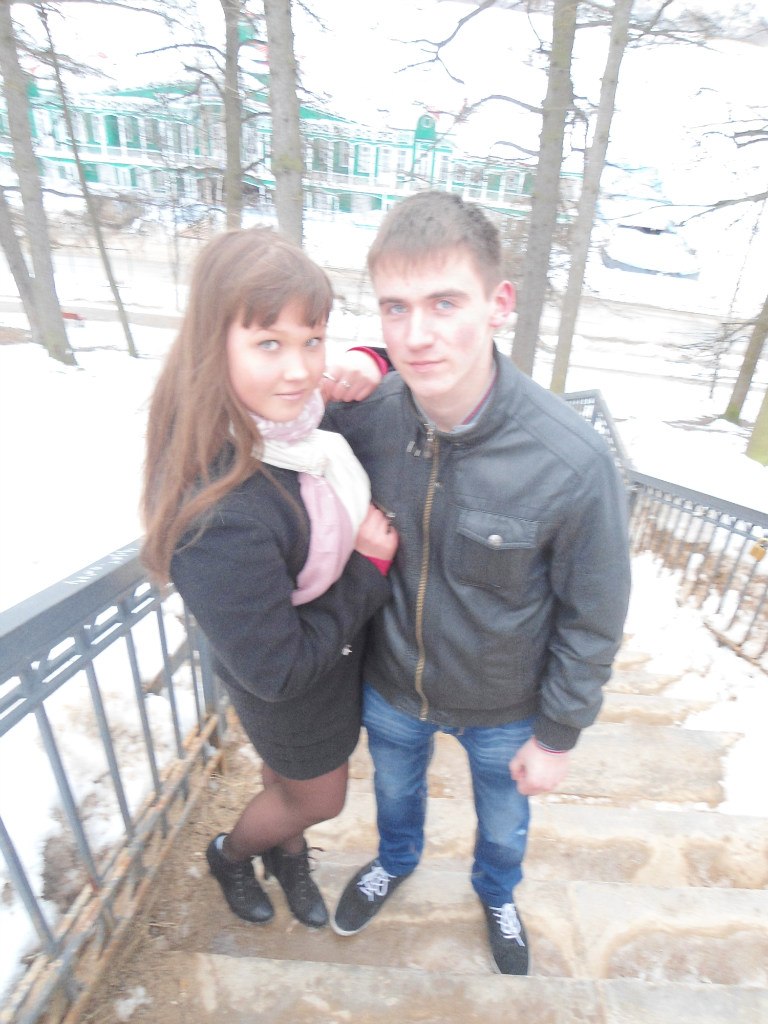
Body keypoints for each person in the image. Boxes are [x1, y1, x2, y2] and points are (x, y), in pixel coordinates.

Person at [320, 190, 632, 974]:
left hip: (506, 710)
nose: (416, 335)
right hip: (394, 687)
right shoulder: (364, 419)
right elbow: (267, 435)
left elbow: (594, 616)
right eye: (395, 309)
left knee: (502, 823)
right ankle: (395, 860)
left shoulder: (570, 462)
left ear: (498, 304)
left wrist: (558, 734)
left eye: (444, 303)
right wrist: (360, 361)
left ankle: (496, 893)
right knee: (395, 795)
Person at [141, 227, 398, 930]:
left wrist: (368, 361)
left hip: (319, 658)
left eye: (312, 340)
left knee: (288, 785)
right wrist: (369, 566)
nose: (300, 370)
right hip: (291, 684)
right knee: (319, 796)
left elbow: (378, 367)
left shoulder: (291, 429)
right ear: (212, 345)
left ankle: (287, 853)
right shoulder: (220, 510)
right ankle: (230, 855)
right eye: (268, 343)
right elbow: (276, 671)